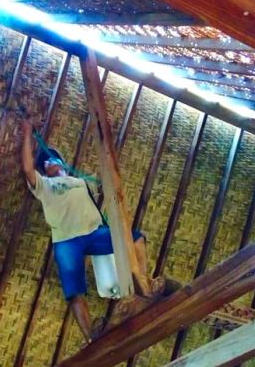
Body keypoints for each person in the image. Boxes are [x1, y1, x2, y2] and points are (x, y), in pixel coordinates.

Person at [20, 116, 161, 344]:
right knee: (74, 291)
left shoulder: (81, 182)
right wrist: (27, 132)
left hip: (94, 233)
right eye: (45, 162)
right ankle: (91, 337)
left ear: (63, 163)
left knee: (135, 238)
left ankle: (143, 287)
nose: (50, 162)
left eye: (53, 159)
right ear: (43, 171)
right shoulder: (44, 186)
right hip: (67, 241)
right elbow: (27, 167)